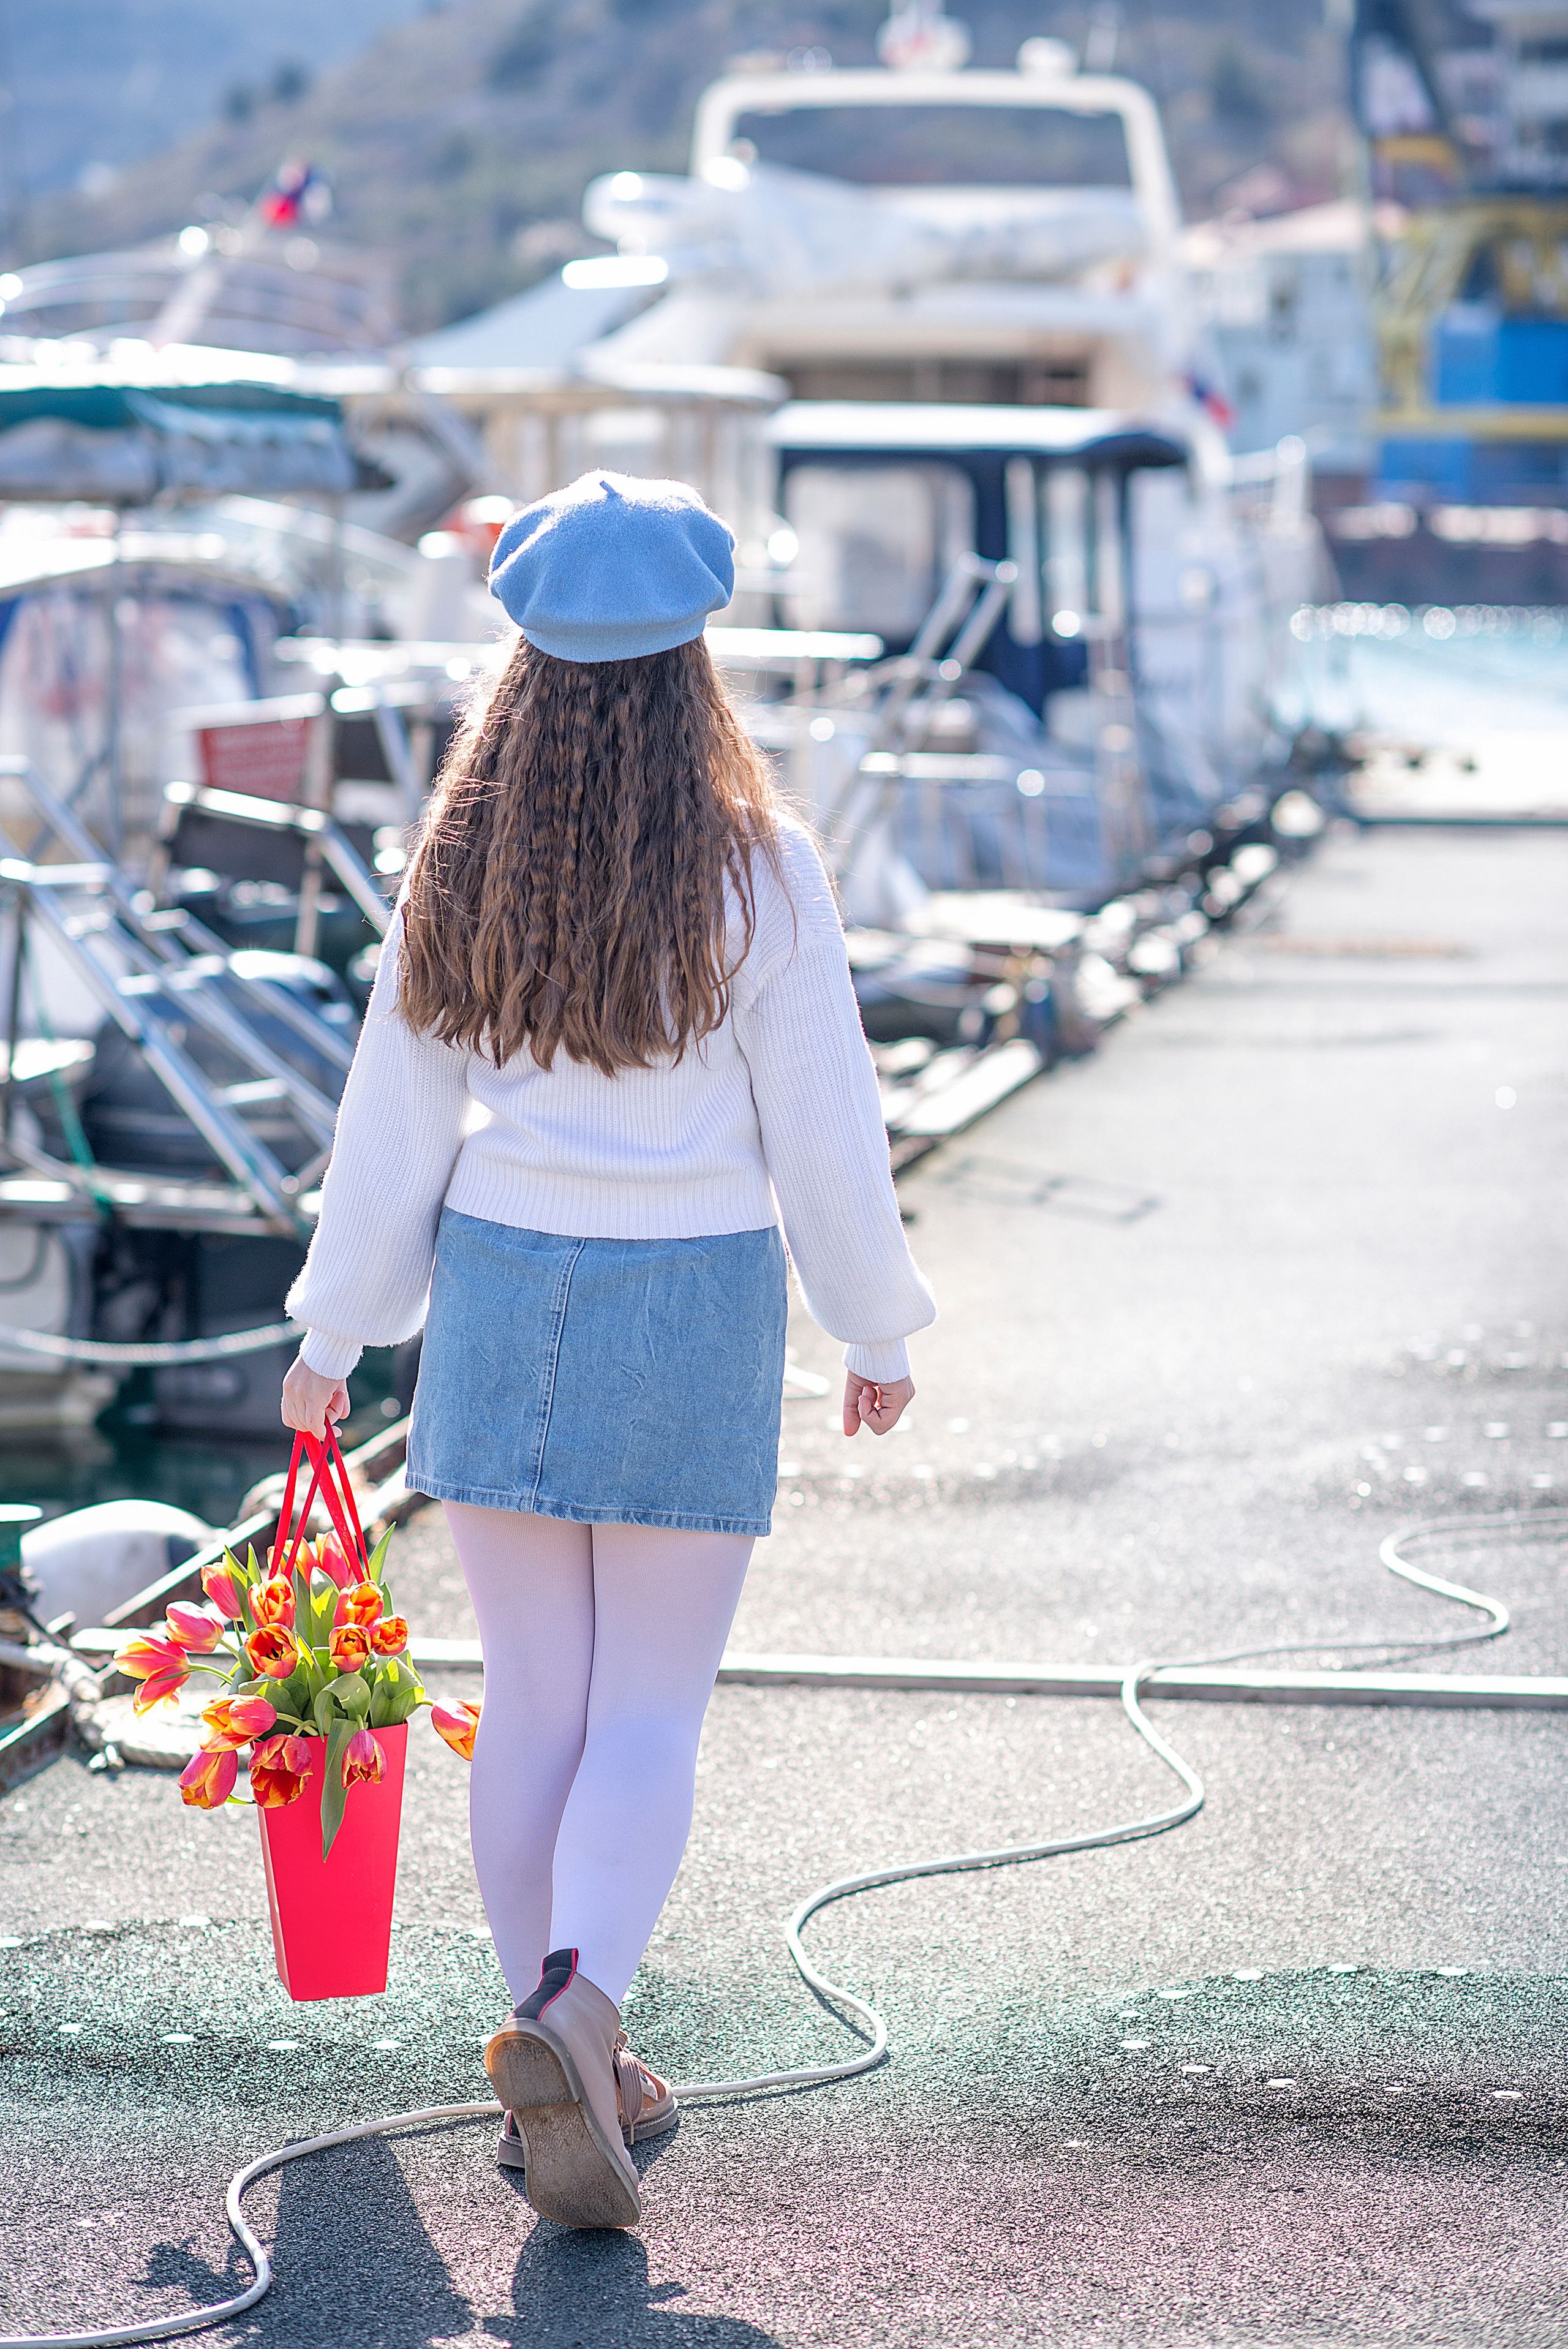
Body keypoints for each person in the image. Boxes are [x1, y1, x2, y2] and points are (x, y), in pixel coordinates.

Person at [281, 469, 935, 2230]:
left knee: (538, 1701)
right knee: (649, 1705)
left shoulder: (460, 857)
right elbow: (827, 1130)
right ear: (694, 655)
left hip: (501, 1299)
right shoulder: (761, 872)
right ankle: (582, 2009)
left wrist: (335, 1332)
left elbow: (390, 1122)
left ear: (522, 659)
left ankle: (548, 2033)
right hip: (691, 1301)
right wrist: (875, 1321)